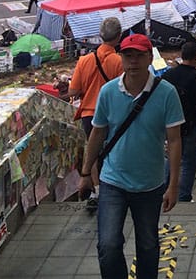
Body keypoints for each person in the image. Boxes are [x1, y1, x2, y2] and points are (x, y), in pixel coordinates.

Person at [79, 33, 184, 279]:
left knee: (147, 245)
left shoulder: (167, 93)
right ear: (121, 58)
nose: (133, 61)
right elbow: (97, 133)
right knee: (108, 244)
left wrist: (174, 185)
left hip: (150, 183)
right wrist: (86, 172)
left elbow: (175, 140)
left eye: (139, 55)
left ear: (150, 58)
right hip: (113, 180)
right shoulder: (107, 92)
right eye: (128, 55)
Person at [68, 17, 124, 209]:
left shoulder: (84, 61)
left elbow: (73, 91)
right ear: (119, 37)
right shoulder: (119, 61)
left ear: (100, 35)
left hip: (89, 114)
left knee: (92, 151)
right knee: (112, 150)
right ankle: (114, 187)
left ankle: (97, 190)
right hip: (112, 114)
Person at [161, 42, 196, 203]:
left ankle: (163, 190)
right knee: (189, 162)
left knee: (171, 157)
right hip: (192, 125)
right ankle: (183, 197)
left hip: (171, 126)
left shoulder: (168, 76)